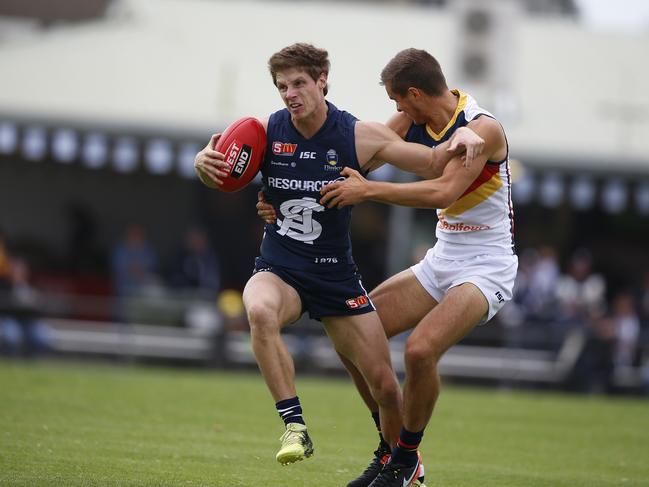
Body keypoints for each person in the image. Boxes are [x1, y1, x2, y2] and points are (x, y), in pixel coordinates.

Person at [194, 42, 484, 478]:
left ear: (322, 80)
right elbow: (220, 170)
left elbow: (428, 163)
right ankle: (294, 425)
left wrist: (464, 131)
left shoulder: (357, 134)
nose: (290, 94)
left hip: (336, 277)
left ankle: (401, 459)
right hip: (281, 267)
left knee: (386, 388)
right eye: (281, 87)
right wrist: (202, 161)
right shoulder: (265, 132)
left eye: (298, 83)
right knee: (258, 310)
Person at [261, 48, 516, 486]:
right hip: (443, 256)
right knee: (357, 332)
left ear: (415, 93)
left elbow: (440, 191)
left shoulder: (483, 128)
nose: (396, 111)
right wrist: (282, 199)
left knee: (419, 351)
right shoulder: (417, 119)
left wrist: (369, 192)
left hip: (487, 264)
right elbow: (365, 153)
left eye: (399, 101)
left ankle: (407, 458)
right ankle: (388, 449)